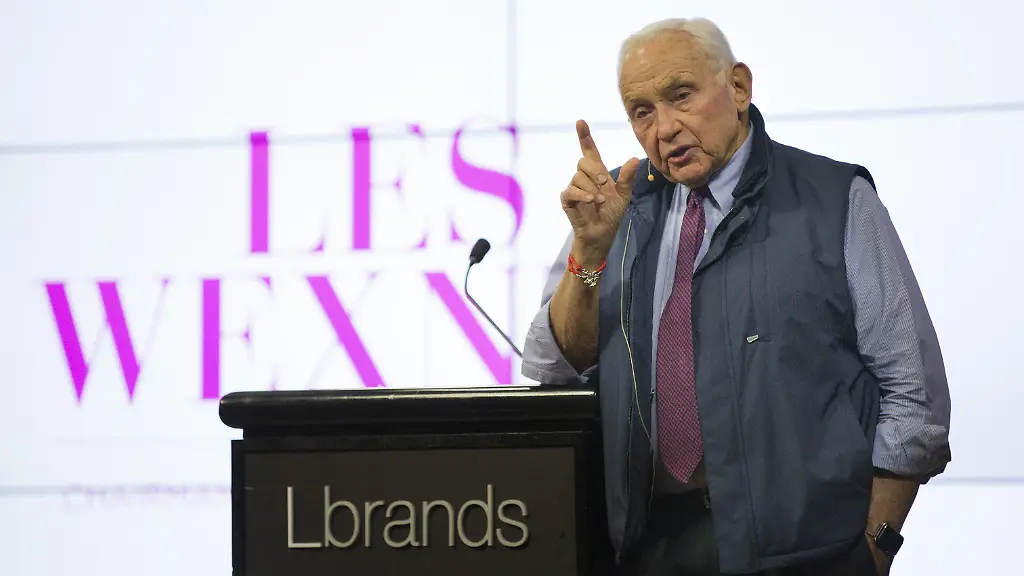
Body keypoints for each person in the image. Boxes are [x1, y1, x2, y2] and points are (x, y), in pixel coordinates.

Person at [521, 17, 951, 576]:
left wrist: (875, 547)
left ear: (739, 87)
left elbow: (914, 395)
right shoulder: (619, 210)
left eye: (681, 95)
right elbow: (552, 365)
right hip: (650, 551)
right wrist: (590, 251)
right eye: (642, 111)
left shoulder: (833, 198)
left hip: (810, 555)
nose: (665, 128)